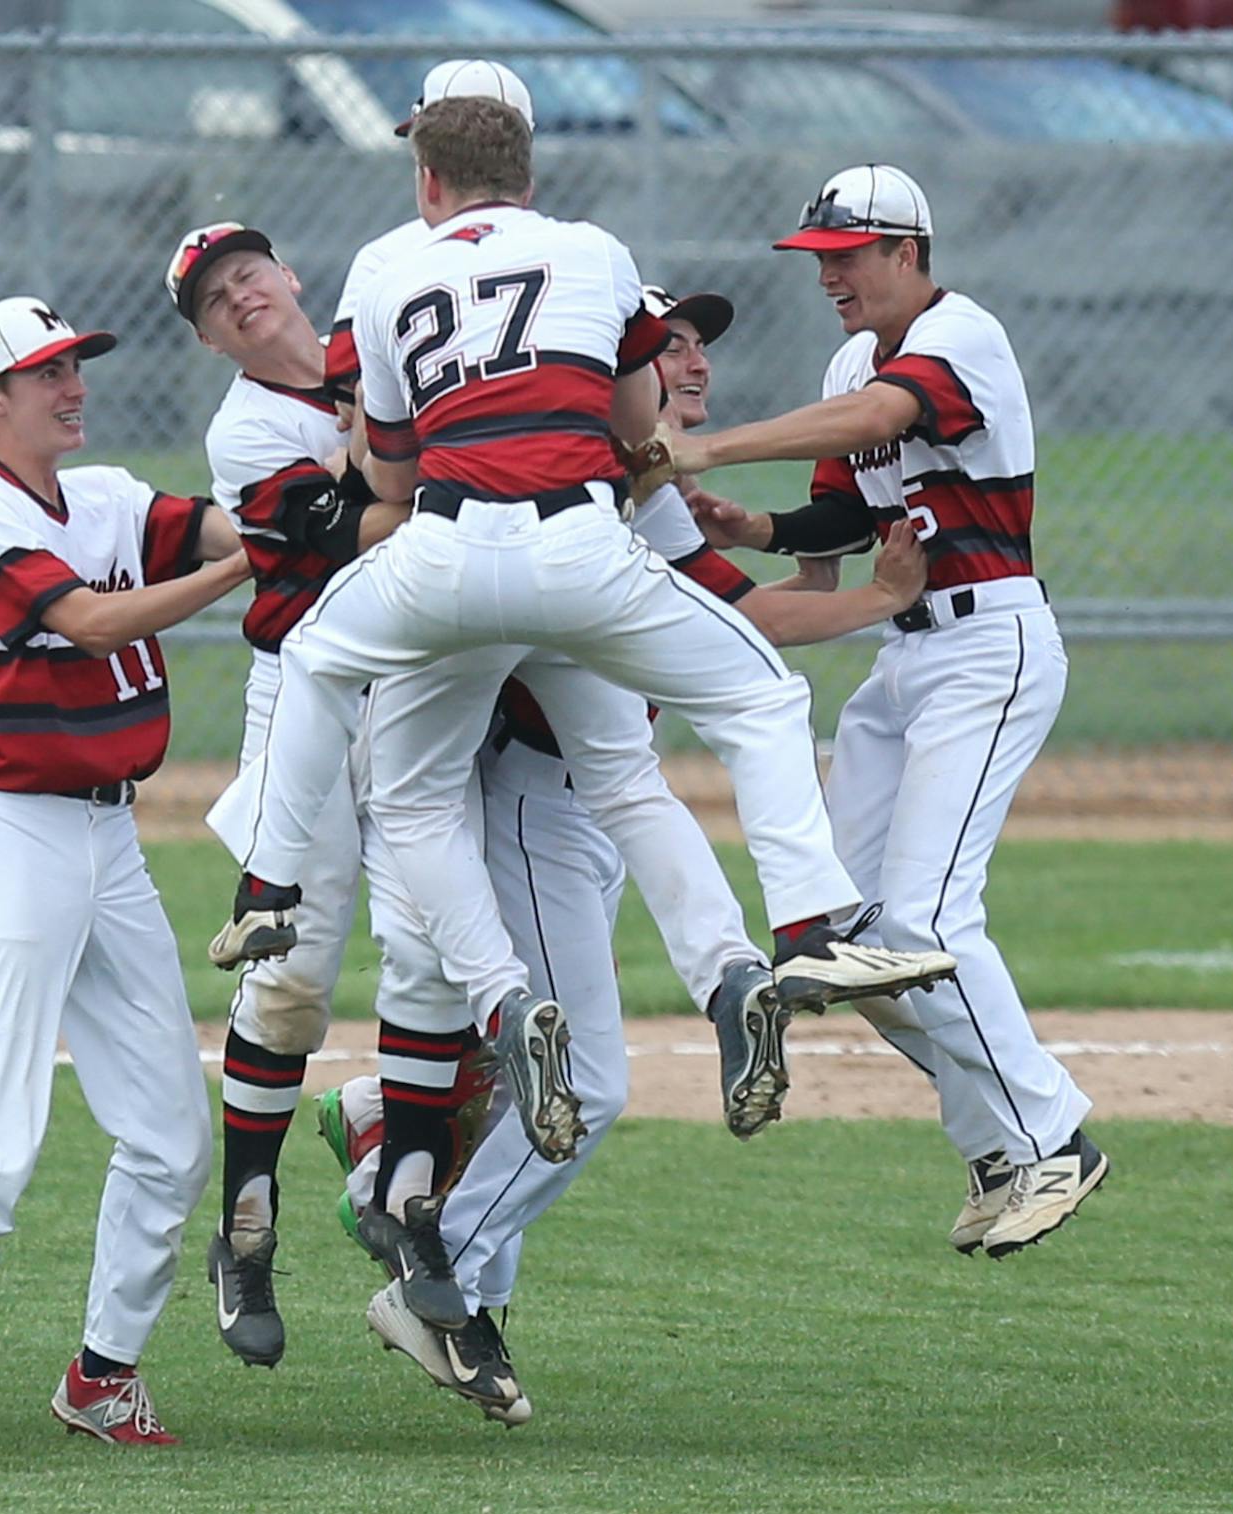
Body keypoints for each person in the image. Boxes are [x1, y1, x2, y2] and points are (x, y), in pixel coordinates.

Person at [210, 92, 957, 1292]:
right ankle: (796, 928)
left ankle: (279, 891)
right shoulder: (598, 253)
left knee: (335, 687)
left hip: (446, 554)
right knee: (749, 706)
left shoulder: (390, 264)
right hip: (581, 545)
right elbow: (627, 422)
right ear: (529, 166)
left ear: (428, 179)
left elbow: (388, 462)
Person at [317, 282, 929, 1423]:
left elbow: (718, 602)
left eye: (695, 348)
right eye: (667, 348)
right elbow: (737, 629)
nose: (688, 368)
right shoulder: (554, 504)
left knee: (544, 1069)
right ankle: (421, 1241)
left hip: (584, 806)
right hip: (532, 812)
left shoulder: (617, 492)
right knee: (586, 1081)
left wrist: (790, 559)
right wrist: (873, 602)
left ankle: (423, 1212)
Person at [672, 164, 1105, 1259]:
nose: (829, 277)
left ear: (908, 252)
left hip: (989, 642)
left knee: (926, 920)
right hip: (906, 653)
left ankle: (1054, 1135)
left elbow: (886, 414)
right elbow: (841, 517)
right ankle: (1001, 1144)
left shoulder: (965, 336)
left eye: (847, 256)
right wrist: (750, 527)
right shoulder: (850, 357)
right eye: (818, 260)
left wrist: (713, 445)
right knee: (846, 936)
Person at [0, 298, 247, 1454]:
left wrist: (293, 514)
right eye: (44, 374)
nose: (71, 386)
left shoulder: (112, 493)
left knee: (174, 1129)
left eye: (75, 365)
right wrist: (250, 567)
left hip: (109, 835)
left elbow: (218, 527)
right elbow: (87, 620)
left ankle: (101, 1375)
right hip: (11, 830)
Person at [168, 220, 458, 1368]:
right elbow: (352, 534)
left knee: (433, 948)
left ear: (291, 276)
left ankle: (418, 1209)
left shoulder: (378, 344)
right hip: (307, 700)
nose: (238, 297)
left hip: (422, 688)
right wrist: (440, 486)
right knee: (290, 982)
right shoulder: (242, 428)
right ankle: (247, 1227)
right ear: (205, 340)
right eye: (210, 301)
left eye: (248, 274)